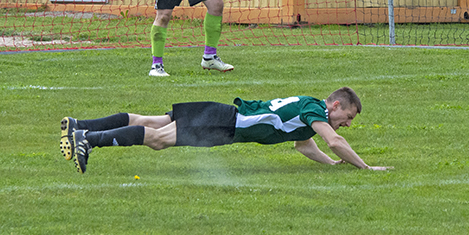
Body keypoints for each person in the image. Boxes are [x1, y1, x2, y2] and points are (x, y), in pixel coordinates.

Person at [59, 87, 392, 174]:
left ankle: (80, 126)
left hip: (224, 115)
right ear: (334, 106)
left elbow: (305, 146)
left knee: (148, 121)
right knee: (158, 139)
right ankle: (87, 139)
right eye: (347, 116)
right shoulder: (315, 111)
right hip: (224, 123)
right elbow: (333, 141)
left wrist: (333, 166)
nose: (347, 124)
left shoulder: (306, 112)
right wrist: (364, 166)